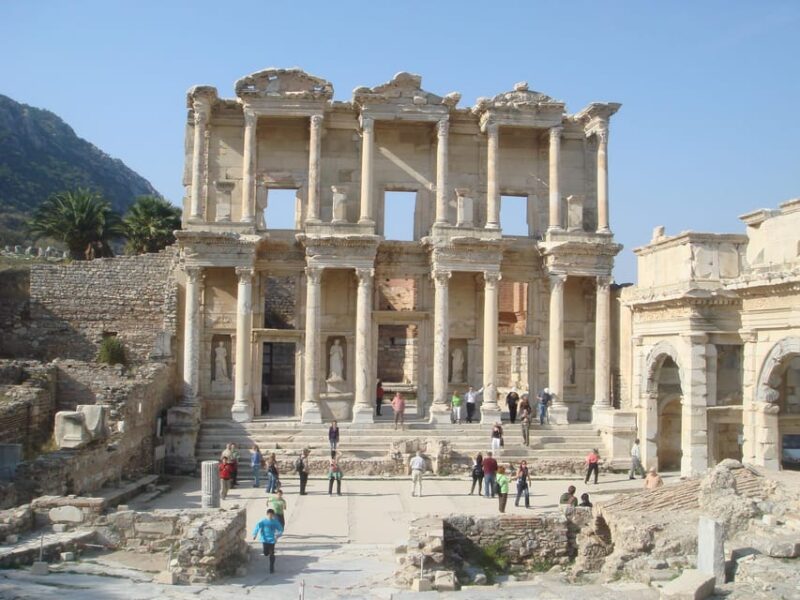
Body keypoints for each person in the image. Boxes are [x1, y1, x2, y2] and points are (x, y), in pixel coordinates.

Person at [252, 508, 284, 574]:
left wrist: (277, 535)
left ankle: (271, 567)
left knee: (272, 554)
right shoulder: (263, 522)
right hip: (264, 539)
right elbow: (257, 527)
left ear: (273, 515)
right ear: (267, 514)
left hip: (272, 540)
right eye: (269, 515)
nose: (270, 516)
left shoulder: (275, 522)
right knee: (265, 553)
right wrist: (254, 534)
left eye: (272, 515)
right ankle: (268, 552)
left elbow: (280, 529)